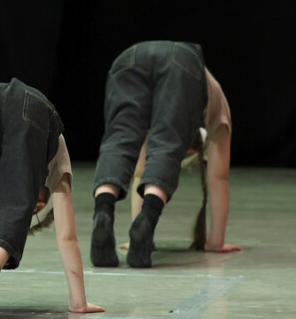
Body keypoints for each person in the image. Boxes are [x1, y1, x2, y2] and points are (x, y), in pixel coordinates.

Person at [0, 80, 103, 319]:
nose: (34, 207)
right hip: (30, 107)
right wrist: (79, 303)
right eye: (37, 209)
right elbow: (67, 236)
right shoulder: (57, 158)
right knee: (12, 206)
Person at [91, 41, 239, 269]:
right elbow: (218, 179)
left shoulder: (155, 118)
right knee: (166, 146)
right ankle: (148, 218)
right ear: (193, 146)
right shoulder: (217, 108)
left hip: (129, 57)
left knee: (118, 141)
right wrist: (215, 243)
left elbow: (140, 172)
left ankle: (103, 210)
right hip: (182, 63)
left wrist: (134, 235)